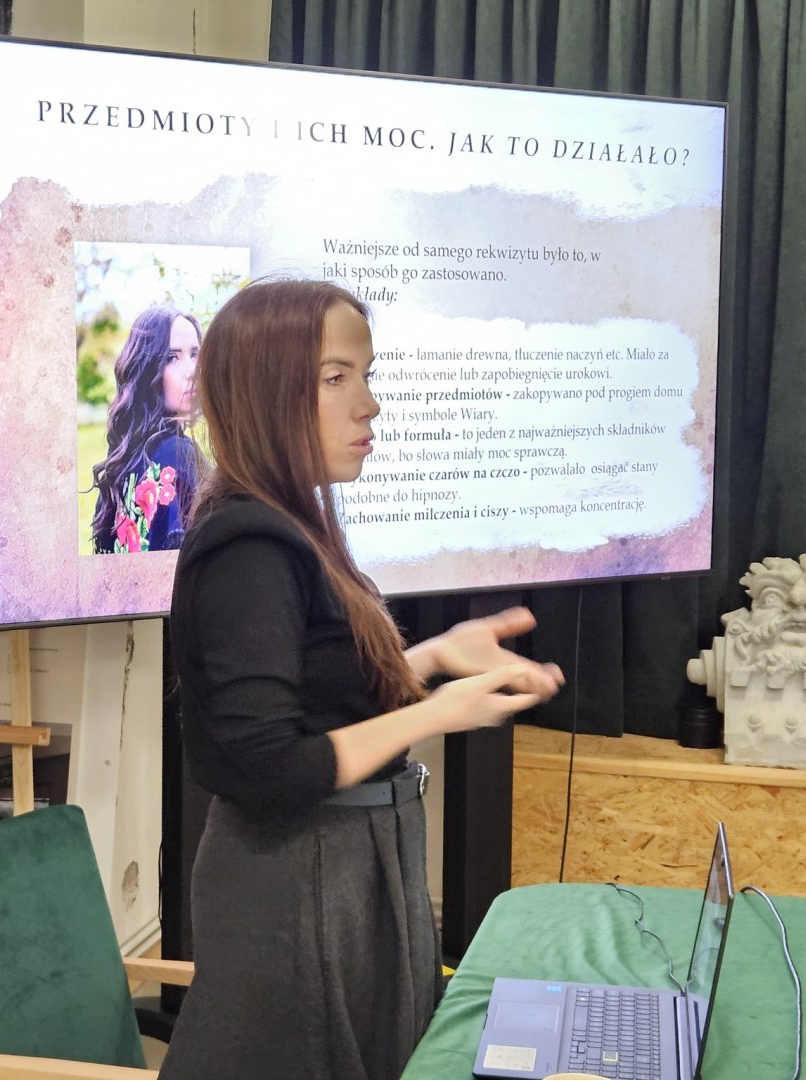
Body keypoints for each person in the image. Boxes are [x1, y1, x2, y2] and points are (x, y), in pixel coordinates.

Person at [160, 280, 564, 1080]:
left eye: (366, 376)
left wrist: (436, 655)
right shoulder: (248, 547)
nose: (369, 404)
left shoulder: (289, 526)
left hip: (343, 870)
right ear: (268, 394)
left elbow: (316, 704)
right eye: (336, 378)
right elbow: (269, 764)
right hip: (295, 883)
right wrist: (435, 713)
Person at [89, 305, 202, 554]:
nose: (191, 372)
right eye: (172, 358)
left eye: (195, 354)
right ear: (147, 369)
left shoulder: (122, 462)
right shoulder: (177, 453)